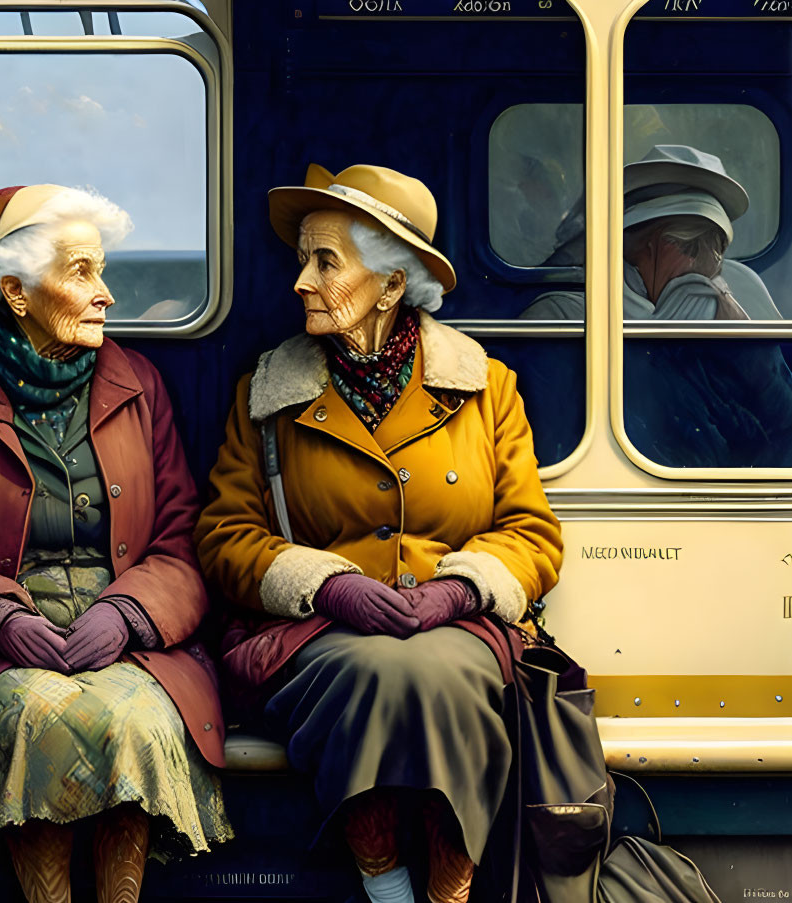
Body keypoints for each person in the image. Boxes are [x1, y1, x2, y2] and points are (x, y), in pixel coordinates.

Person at [196, 163, 563, 903]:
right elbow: (224, 532)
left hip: (454, 629)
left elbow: (532, 533)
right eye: (303, 259)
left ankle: (446, 890)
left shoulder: (486, 388)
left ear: (391, 284)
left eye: (324, 260)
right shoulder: (267, 392)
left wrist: (456, 591)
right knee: (378, 674)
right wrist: (329, 585)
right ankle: (389, 885)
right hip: (318, 637)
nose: (300, 280)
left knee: (438, 676)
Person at [0, 182, 231, 903]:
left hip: (127, 639)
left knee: (135, 717)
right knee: (35, 713)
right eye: (81, 272)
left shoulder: (139, 386)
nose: (106, 295)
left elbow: (180, 544)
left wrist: (125, 615)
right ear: (17, 292)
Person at [523, 144, 781, 320]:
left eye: (716, 248)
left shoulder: (743, 293)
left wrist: (740, 340)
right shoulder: (564, 313)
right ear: (639, 245)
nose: (707, 262)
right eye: (688, 245)